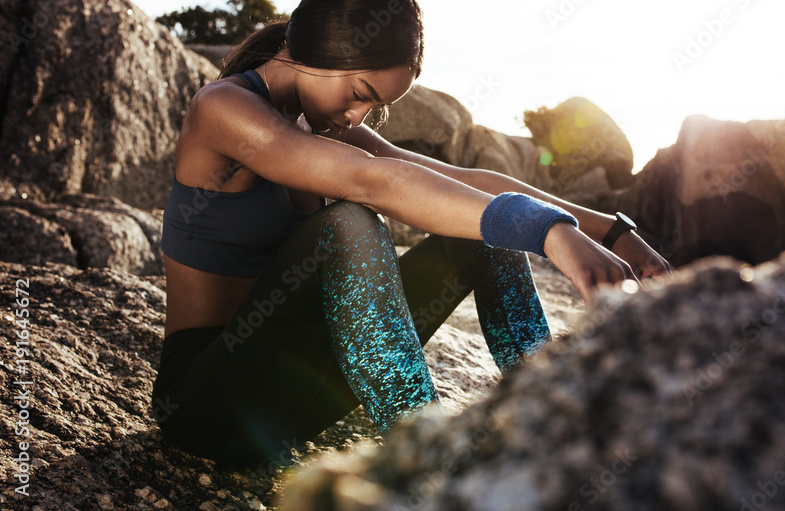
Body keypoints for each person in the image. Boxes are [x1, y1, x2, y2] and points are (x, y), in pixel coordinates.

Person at [150, 0, 670, 467]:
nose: (356, 115)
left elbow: (462, 182)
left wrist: (609, 231)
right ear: (316, 50)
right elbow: (372, 181)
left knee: (477, 228)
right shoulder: (222, 108)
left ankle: (546, 418)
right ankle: (433, 464)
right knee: (350, 222)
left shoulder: (322, 122)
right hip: (205, 406)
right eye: (359, 93)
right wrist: (547, 233)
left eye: (372, 108)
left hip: (293, 407)